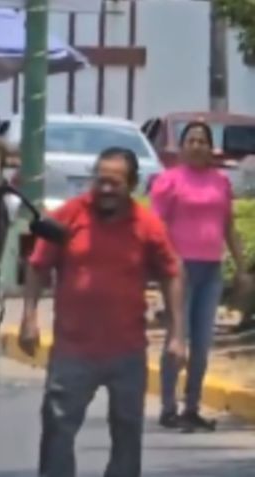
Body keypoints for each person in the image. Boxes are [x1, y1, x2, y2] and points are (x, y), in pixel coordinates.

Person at [21, 147, 186, 477]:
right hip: (73, 350)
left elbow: (172, 272)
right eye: (101, 181)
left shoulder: (147, 225)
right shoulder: (70, 215)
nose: (106, 189)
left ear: (133, 184)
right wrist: (29, 317)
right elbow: (38, 266)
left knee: (127, 434)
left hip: (126, 350)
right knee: (57, 430)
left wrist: (177, 336)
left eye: (116, 182)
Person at [150, 121, 250, 432]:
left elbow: (229, 227)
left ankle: (191, 406)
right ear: (182, 147)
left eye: (202, 141)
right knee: (178, 339)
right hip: (179, 269)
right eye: (191, 140)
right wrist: (167, 263)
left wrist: (243, 267)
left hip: (211, 269)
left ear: (210, 147)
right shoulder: (168, 181)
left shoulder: (220, 182)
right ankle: (168, 406)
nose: (197, 146)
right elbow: (156, 228)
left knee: (203, 342)